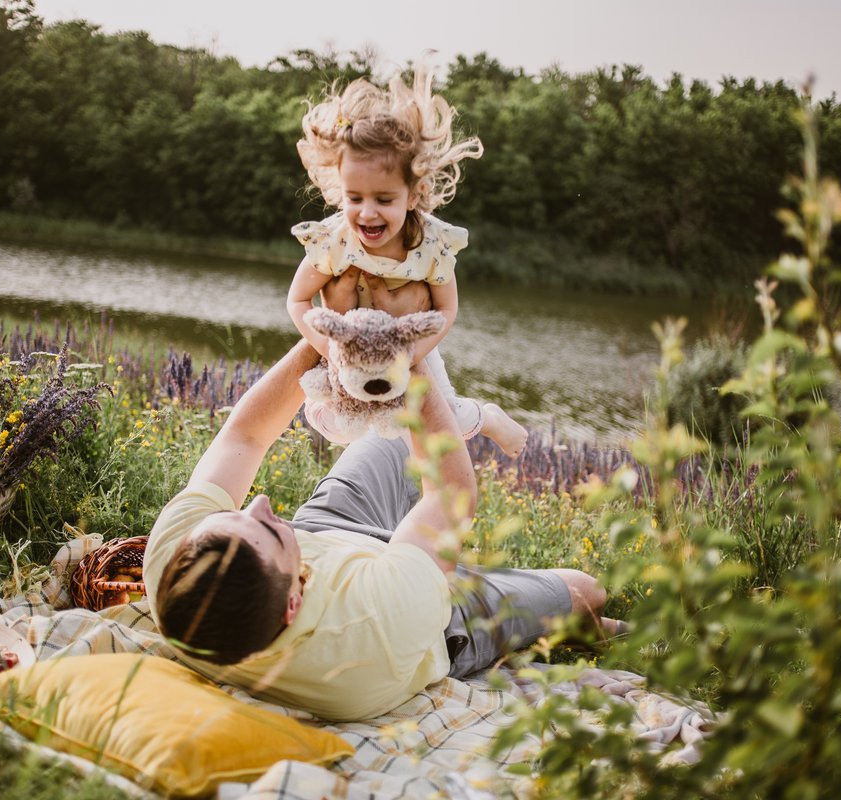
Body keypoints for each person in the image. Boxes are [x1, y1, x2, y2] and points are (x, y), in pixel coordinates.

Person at [143, 277, 622, 722]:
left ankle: (477, 419)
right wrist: (404, 360)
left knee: (389, 431)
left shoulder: (173, 559)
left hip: (327, 530)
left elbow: (245, 436)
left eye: (238, 515)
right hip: (433, 614)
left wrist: (334, 342)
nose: (261, 502)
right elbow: (450, 496)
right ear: (294, 603)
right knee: (587, 591)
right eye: (266, 527)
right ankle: (569, 621)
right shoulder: (375, 632)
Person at [286, 66, 528, 458]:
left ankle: (487, 417)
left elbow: (447, 308)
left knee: (440, 420)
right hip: (350, 344)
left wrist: (412, 356)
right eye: (355, 198)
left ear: (413, 195)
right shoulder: (333, 241)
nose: (367, 214)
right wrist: (328, 348)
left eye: (384, 200)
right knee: (337, 428)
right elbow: (297, 301)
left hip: (410, 339)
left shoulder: (430, 243)